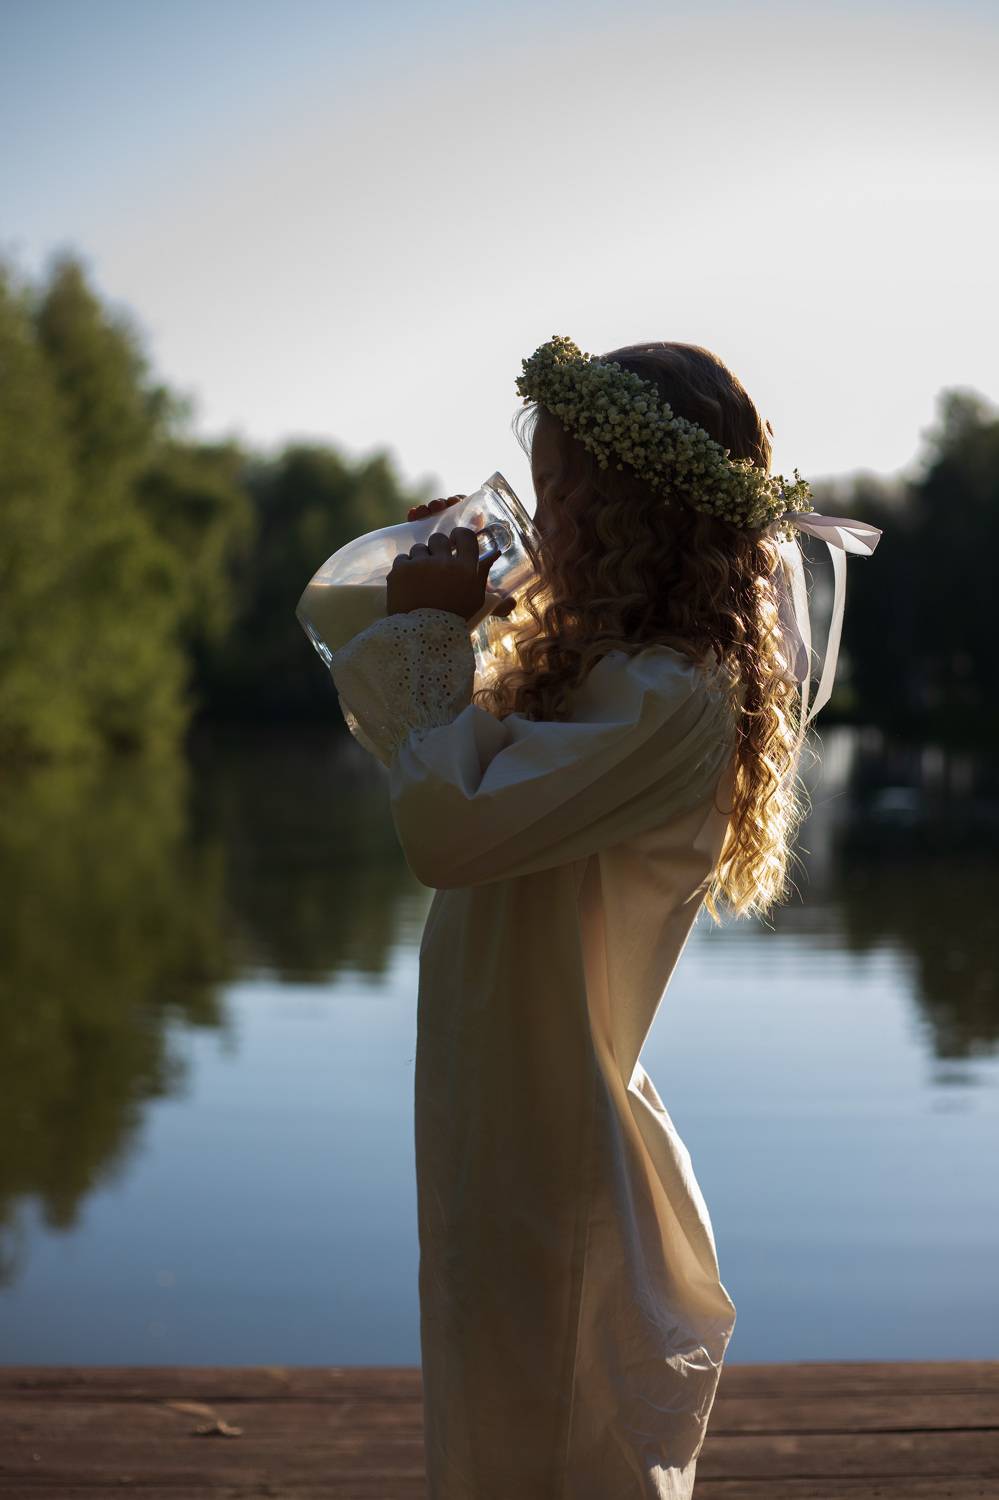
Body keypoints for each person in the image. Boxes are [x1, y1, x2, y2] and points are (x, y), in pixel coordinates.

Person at [329, 336, 881, 1499]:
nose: (543, 519)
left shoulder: (672, 695)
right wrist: (450, 620)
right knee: (498, 1403)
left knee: (552, 1421)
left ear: (634, 509)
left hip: (555, 1127)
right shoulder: (600, 672)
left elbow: (448, 832)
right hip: (498, 1096)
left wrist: (429, 638)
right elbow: (433, 761)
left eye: (562, 493)